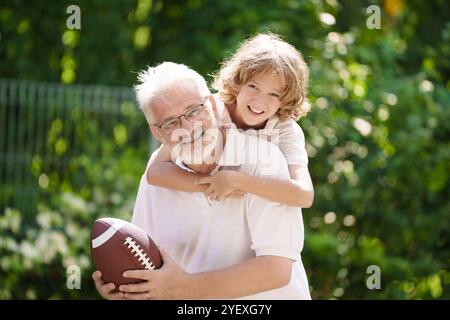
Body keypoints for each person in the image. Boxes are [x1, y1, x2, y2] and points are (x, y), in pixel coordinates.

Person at [92, 62, 311, 299]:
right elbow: (150, 266)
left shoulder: (264, 161)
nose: (188, 128)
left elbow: (275, 271)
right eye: (171, 122)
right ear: (157, 132)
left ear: (212, 106)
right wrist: (127, 288)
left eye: (193, 111)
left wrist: (184, 288)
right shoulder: (156, 179)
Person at [147, 33, 314, 208]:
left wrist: (236, 181)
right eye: (253, 86)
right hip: (208, 209)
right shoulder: (209, 109)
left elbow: (304, 195)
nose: (260, 100)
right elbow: (156, 171)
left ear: (286, 100)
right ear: (237, 82)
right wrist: (210, 183)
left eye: (274, 94)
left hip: (252, 215)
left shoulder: (285, 130)